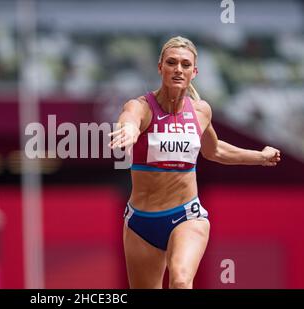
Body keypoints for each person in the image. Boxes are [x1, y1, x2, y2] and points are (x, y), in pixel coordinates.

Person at [108, 36, 281, 289]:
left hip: (187, 215)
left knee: (180, 281)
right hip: (141, 222)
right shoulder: (142, 107)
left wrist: (260, 156)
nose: (178, 69)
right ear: (160, 67)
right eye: (172, 62)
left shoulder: (200, 111)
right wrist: (130, 130)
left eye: (185, 65)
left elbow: (215, 150)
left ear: (194, 72)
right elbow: (129, 118)